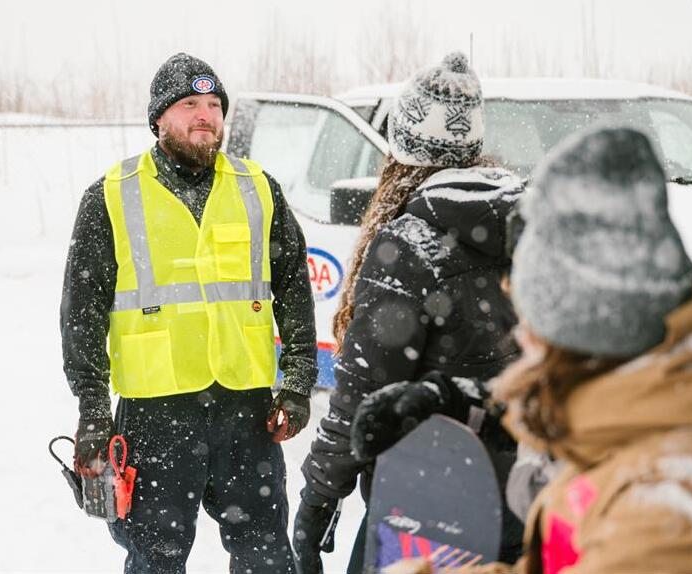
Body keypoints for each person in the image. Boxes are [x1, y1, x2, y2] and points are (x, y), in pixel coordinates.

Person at [388, 126, 692, 574]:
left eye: (534, 324)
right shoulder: (620, 435)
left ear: (583, 336)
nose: (520, 337)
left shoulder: (662, 508)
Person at [60, 52, 318, 574]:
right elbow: (81, 314)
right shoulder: (111, 196)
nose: (205, 116)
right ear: (158, 118)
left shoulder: (258, 188)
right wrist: (93, 410)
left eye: (214, 105)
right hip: (156, 417)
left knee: (266, 555)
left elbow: (294, 289)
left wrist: (296, 383)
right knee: (155, 560)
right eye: (189, 105)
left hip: (246, 413)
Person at [292, 52, 525, 574]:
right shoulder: (532, 226)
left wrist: (318, 500)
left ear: (402, 147)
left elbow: (362, 392)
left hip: (430, 505)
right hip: (529, 494)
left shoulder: (411, 246)